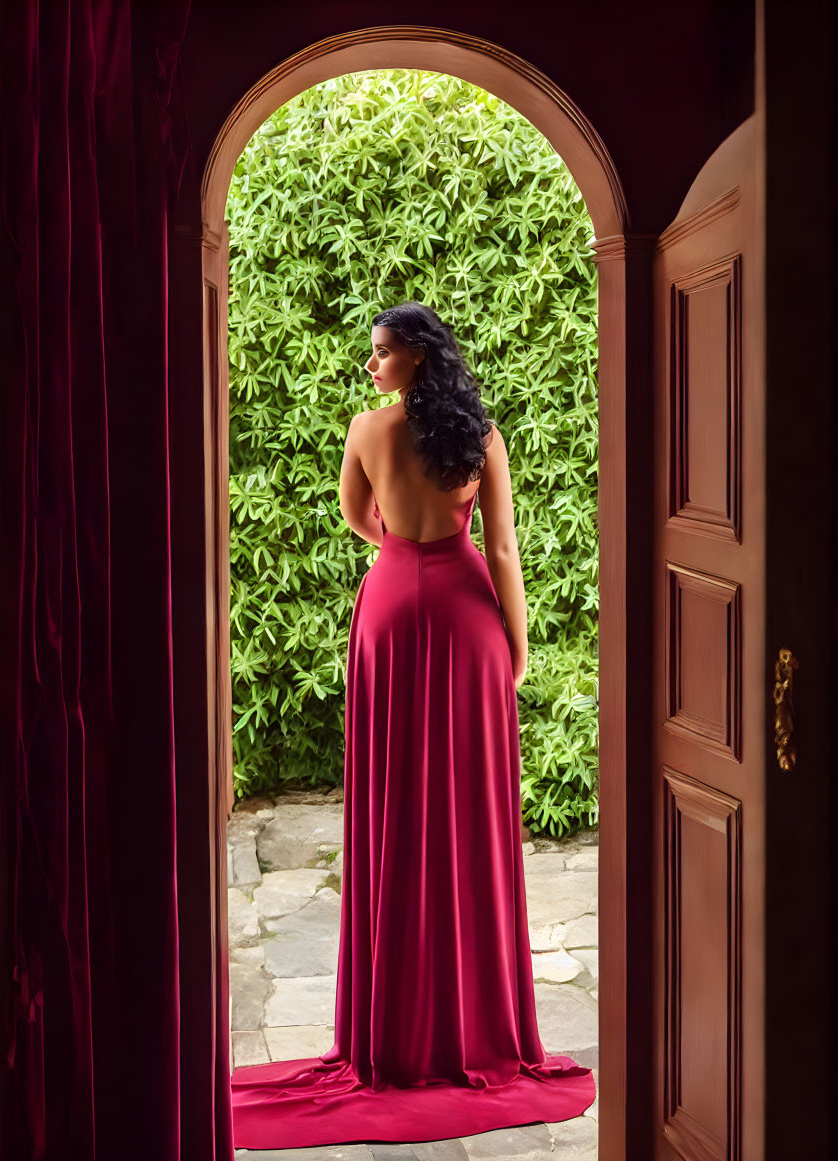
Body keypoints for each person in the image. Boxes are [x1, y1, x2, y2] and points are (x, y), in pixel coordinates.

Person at [230, 302, 596, 1149]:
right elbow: (502, 550)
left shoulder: (367, 431)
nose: (371, 366)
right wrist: (519, 643)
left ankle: (391, 1026)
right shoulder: (481, 437)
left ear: (415, 357)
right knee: (469, 813)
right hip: (469, 616)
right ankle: (476, 1025)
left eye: (382, 352)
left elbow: (360, 518)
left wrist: (399, 545)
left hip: (391, 607)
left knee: (396, 803)